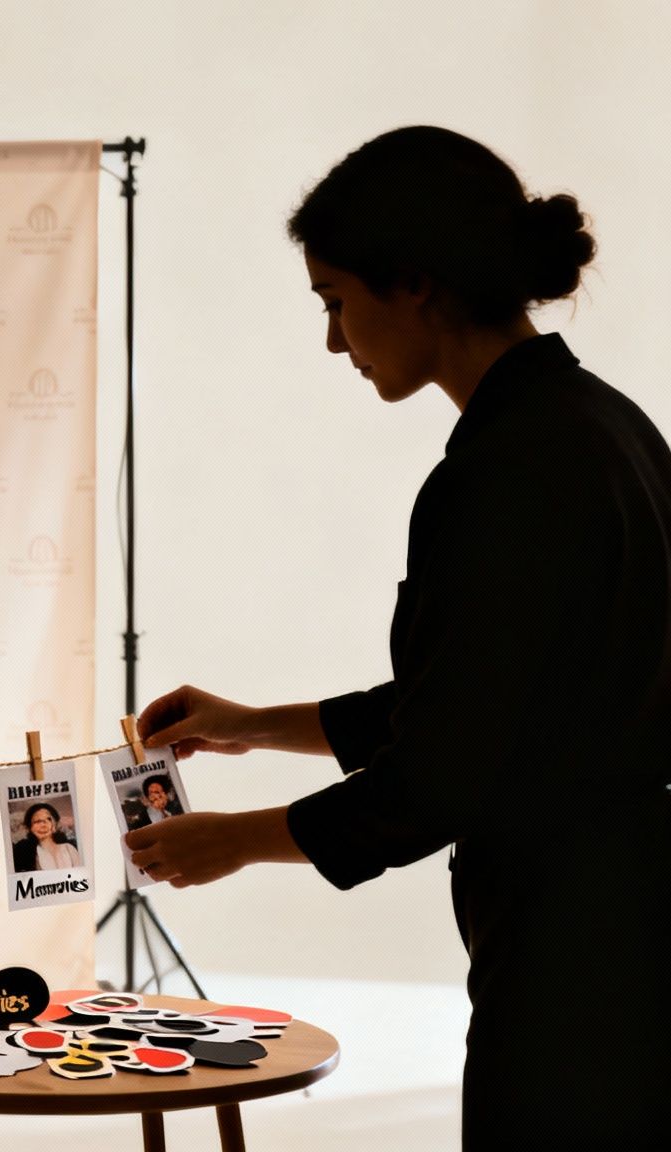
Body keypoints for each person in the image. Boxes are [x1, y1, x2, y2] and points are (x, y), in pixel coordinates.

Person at [124, 127, 670, 1147]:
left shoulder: (497, 476)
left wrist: (229, 843)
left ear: (412, 284)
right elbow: (493, 703)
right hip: (631, 922)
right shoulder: (611, 430)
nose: (333, 341)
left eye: (334, 302)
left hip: (568, 955)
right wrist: (252, 725)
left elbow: (442, 773)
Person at [11, 802, 81, 873]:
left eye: (48, 819)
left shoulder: (68, 849)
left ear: (55, 824)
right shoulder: (26, 855)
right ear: (30, 827)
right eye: (37, 821)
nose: (43, 825)